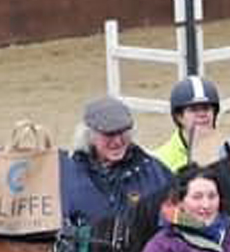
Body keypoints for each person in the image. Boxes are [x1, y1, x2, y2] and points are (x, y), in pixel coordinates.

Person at [61, 96, 174, 226]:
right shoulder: (68, 176)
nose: (118, 141)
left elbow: (181, 217)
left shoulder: (154, 172)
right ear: (89, 136)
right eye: (109, 134)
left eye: (123, 133)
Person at [150, 75, 222, 173]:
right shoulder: (160, 164)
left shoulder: (225, 154)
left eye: (206, 108)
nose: (201, 114)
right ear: (179, 117)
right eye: (193, 110)